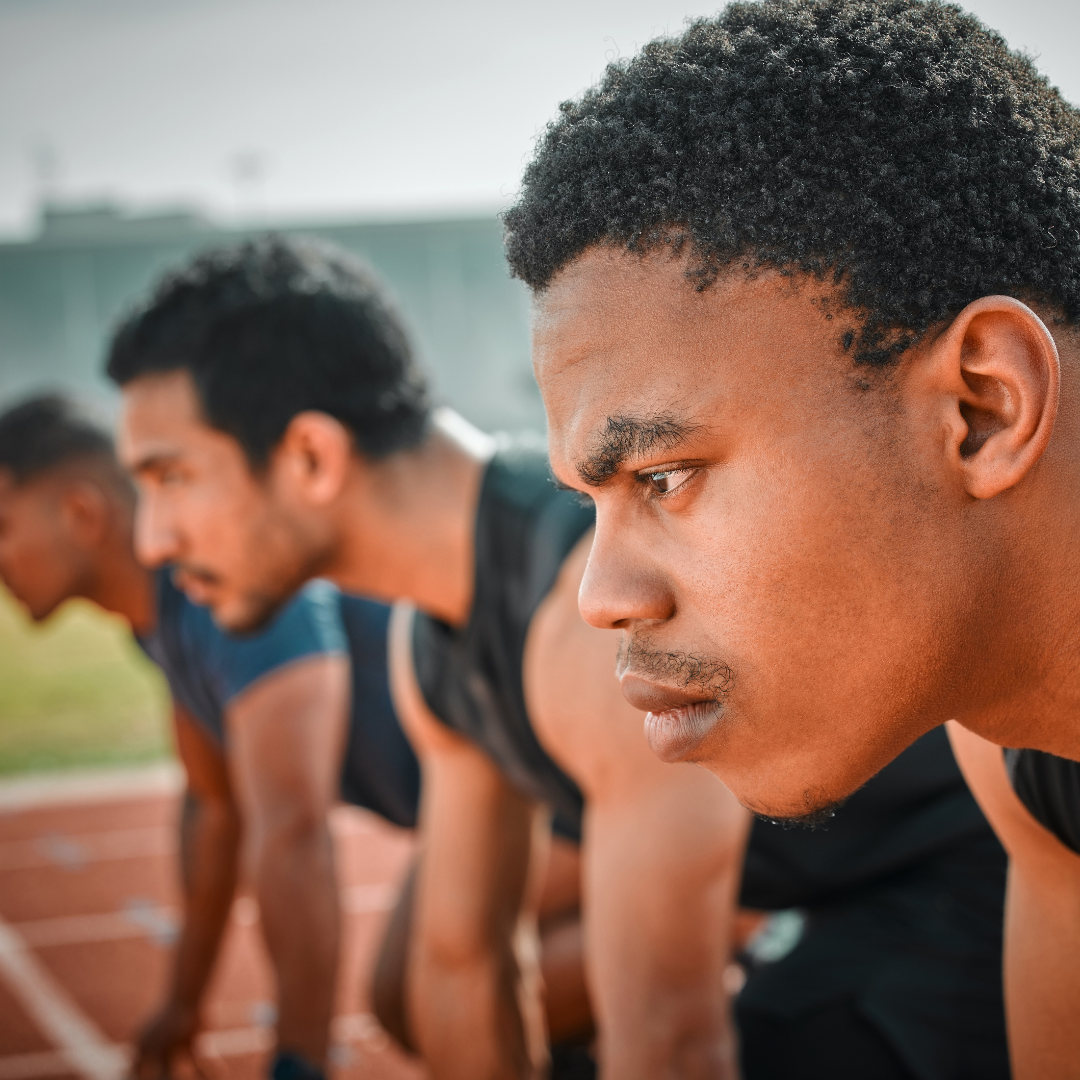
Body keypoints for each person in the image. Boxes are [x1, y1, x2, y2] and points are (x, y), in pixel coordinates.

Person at [106, 235, 1011, 1079]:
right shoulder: (435, 637)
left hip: (978, 875)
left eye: (171, 477)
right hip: (833, 895)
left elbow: (671, 1037)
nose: (150, 539)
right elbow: (465, 967)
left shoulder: (592, 602)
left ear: (309, 455)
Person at [502, 0, 1080, 1073]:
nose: (602, 596)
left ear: (982, 409)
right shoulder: (1019, 749)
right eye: (594, 502)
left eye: (665, 476)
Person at [0, 397, 584, 1080]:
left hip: (556, 760)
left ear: (82, 514)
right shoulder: (159, 622)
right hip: (493, 780)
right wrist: (185, 1003)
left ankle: (728, 929)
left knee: (434, 994)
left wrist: (298, 1062)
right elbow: (215, 808)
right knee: (413, 1001)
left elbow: (293, 827)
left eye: (3, 527)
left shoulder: (229, 584)